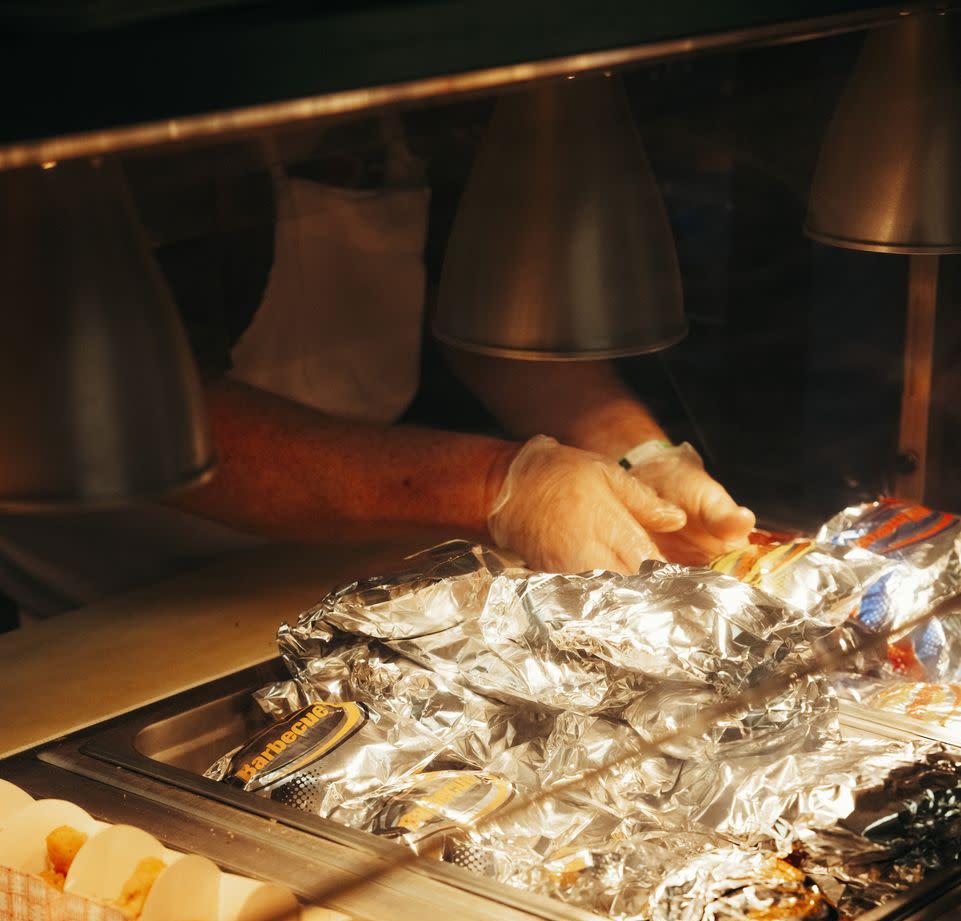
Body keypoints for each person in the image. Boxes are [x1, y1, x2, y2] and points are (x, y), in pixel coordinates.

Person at [0, 118, 754, 621]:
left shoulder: (415, 99)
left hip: (348, 573)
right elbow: (127, 412)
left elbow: (497, 318)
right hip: (114, 602)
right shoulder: (141, 124)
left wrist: (638, 455)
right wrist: (502, 484)